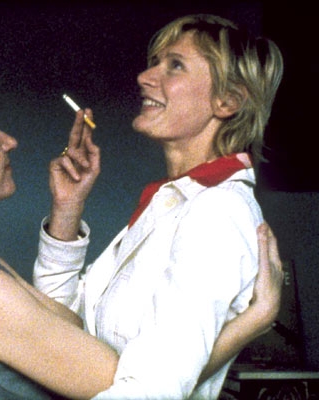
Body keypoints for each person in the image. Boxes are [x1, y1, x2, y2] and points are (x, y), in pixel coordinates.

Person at [0, 70, 282, 399]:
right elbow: (133, 388)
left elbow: (71, 326)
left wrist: (67, 208)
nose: (9, 142)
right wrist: (251, 322)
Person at [34, 14, 284, 399]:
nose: (144, 77)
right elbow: (61, 335)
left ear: (228, 101)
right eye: (155, 63)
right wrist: (67, 211)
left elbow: (150, 392)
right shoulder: (175, 204)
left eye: (175, 65)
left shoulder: (216, 213)